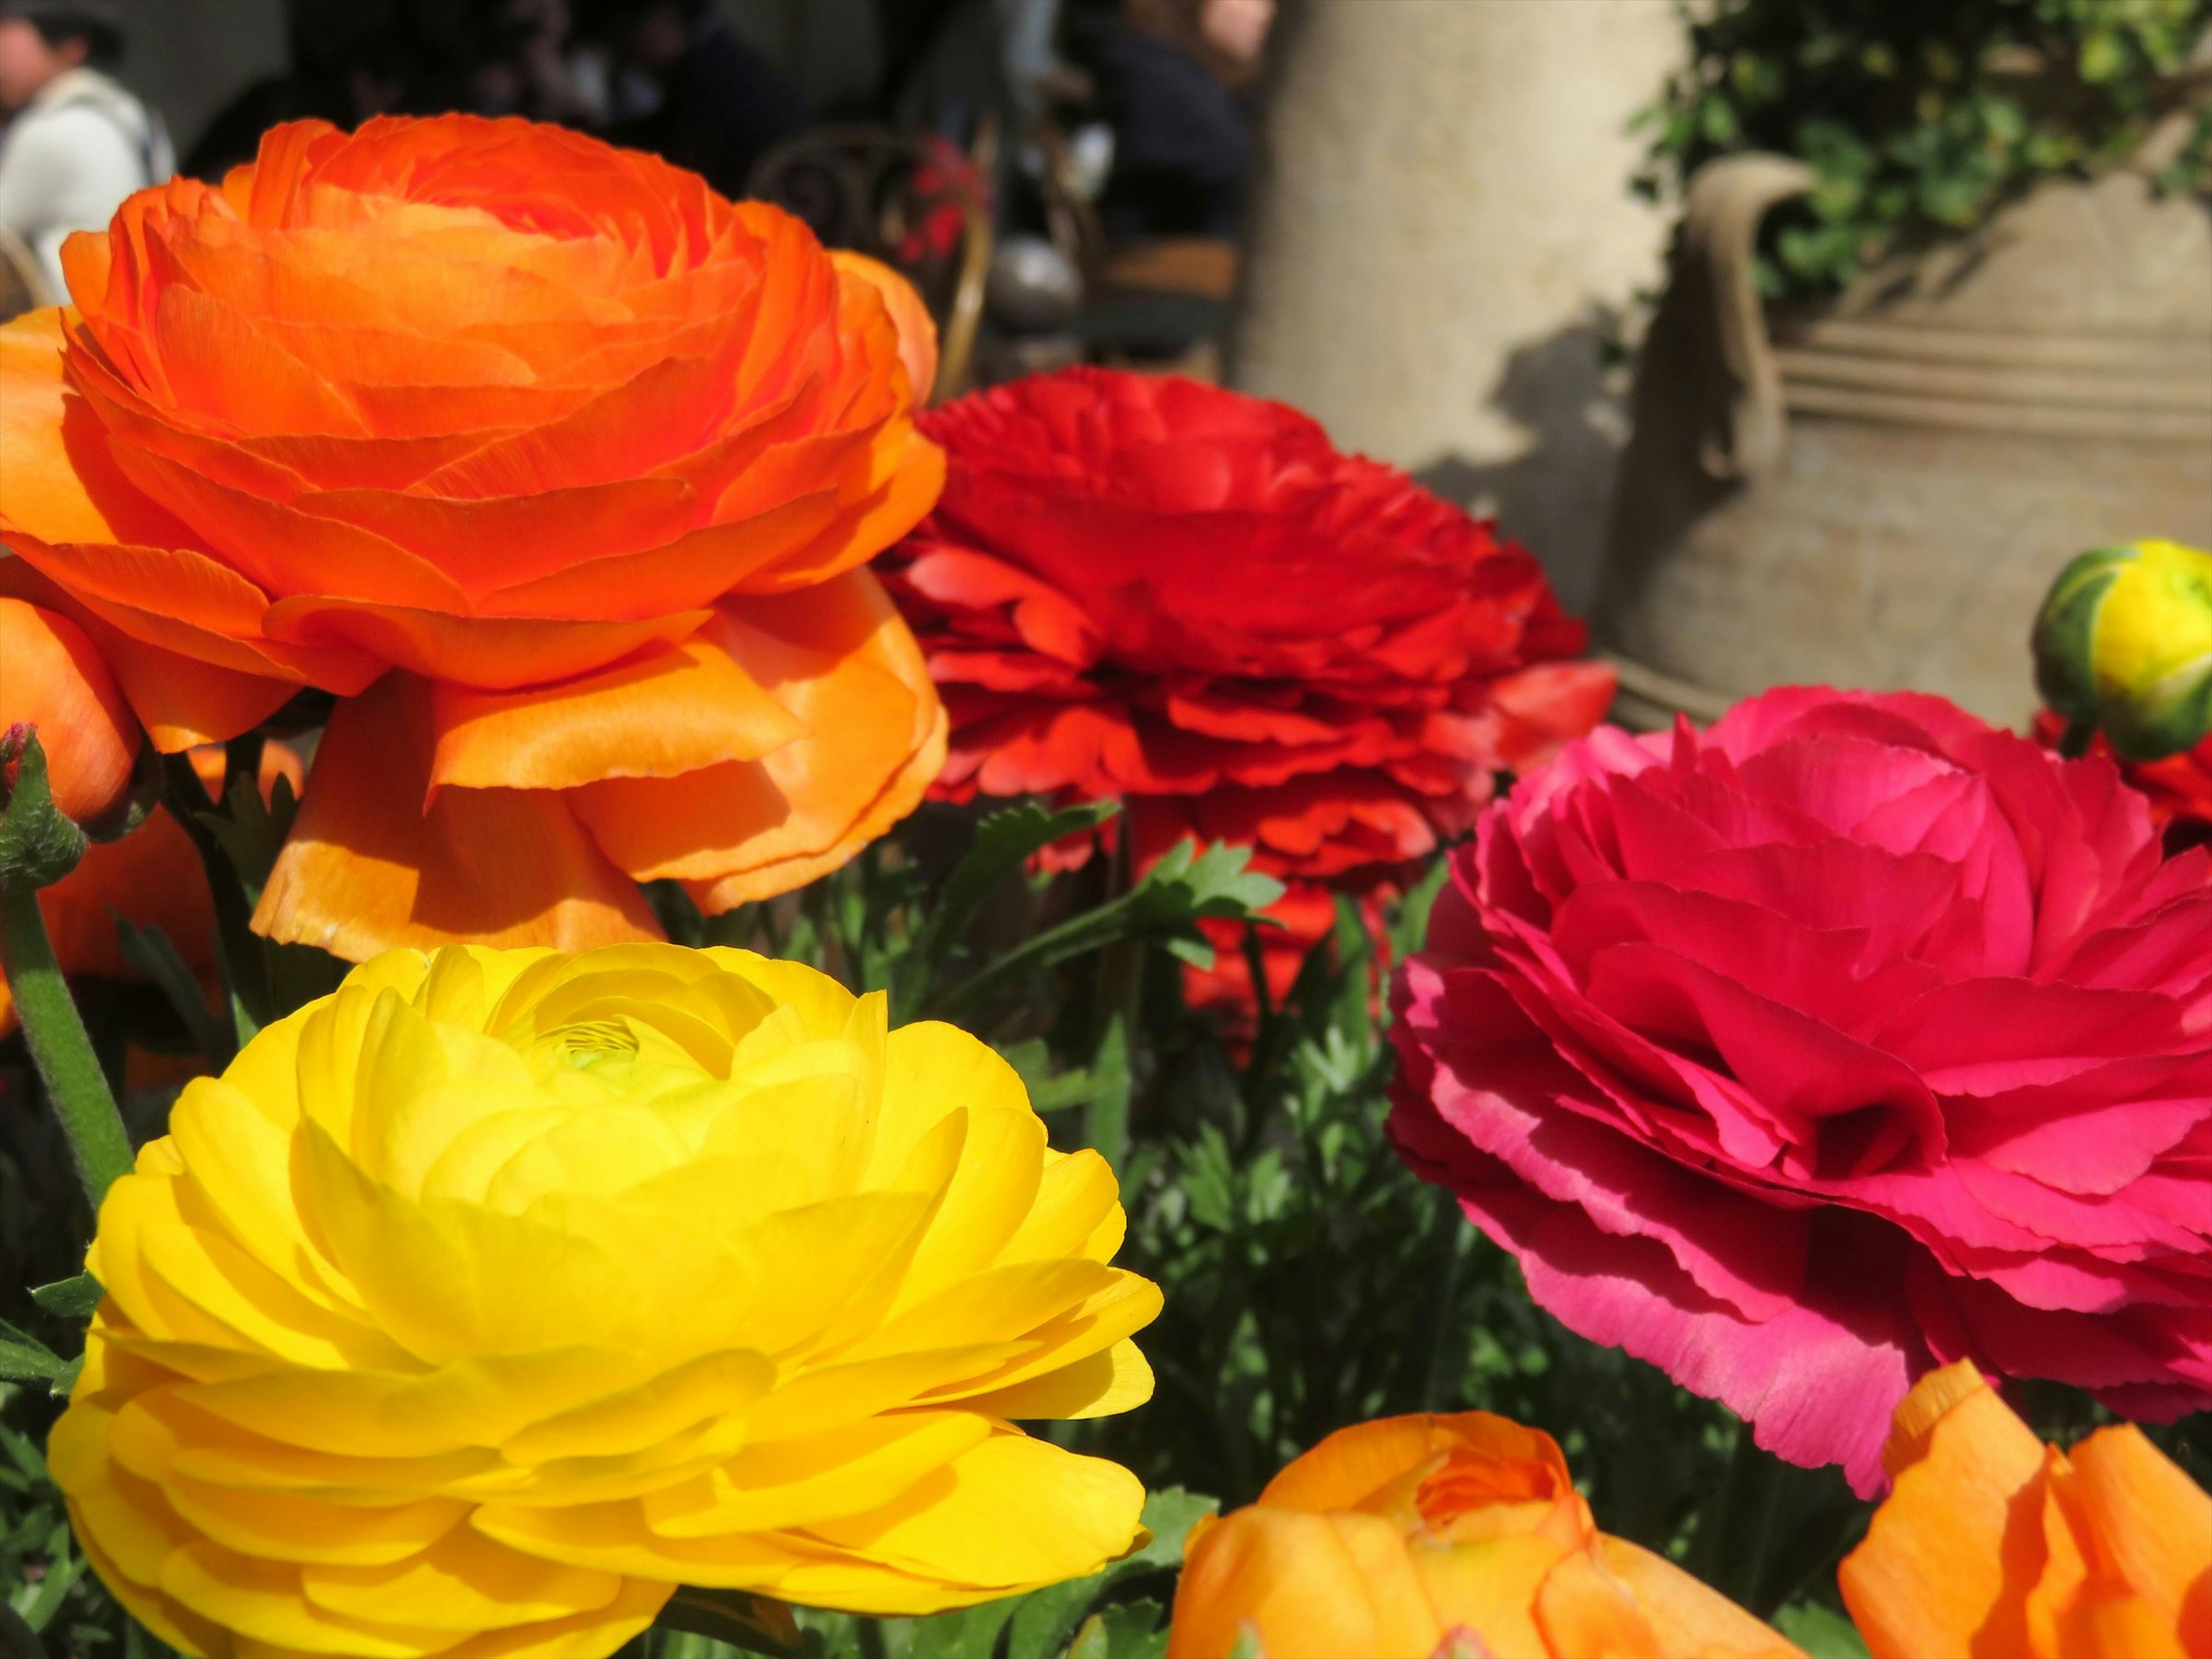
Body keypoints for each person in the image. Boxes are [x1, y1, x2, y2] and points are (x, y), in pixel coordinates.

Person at [0, 0, 171, 300]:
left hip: (71, 328)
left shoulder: (52, 131)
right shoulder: (138, 116)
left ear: (70, 47)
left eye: (7, 37)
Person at [606, 0, 808, 198]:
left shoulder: (704, 71)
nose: (633, 44)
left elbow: (680, 158)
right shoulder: (721, 53)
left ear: (664, 21)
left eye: (636, 28)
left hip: (767, 196)